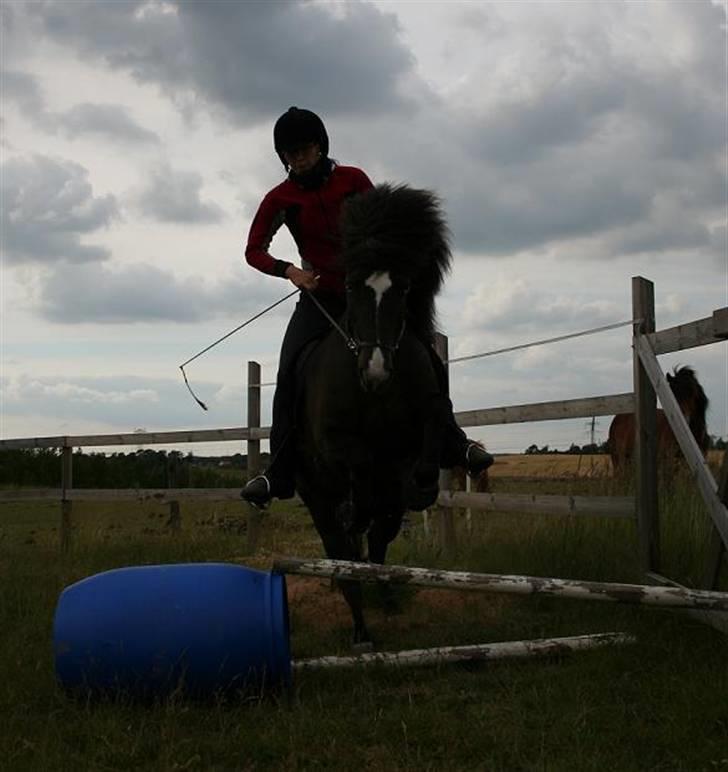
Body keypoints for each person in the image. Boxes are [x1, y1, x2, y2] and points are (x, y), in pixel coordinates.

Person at [241, 106, 493, 509]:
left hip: (370, 293)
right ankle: (279, 471)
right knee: (289, 371)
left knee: (427, 356)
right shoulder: (280, 199)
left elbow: (384, 225)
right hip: (321, 297)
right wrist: (291, 271)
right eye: (290, 153)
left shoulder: (353, 180)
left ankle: (454, 443)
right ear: (282, 156)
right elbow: (254, 250)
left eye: (305, 149)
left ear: (320, 146)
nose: (299, 158)